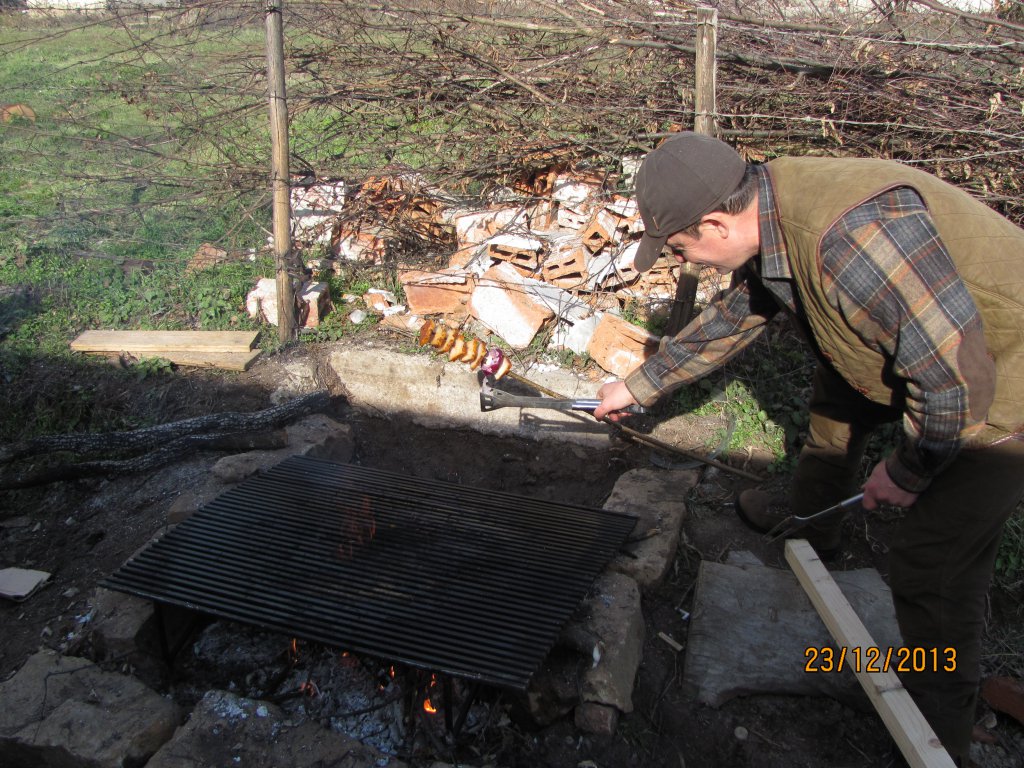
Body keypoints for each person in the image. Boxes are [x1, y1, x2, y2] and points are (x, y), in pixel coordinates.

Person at [592, 131, 1024, 765]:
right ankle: (814, 525)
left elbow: (957, 382)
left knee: (933, 566)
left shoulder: (852, 239)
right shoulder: (769, 206)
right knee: (836, 399)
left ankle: (941, 734)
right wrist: (641, 383)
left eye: (684, 248)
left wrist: (907, 471)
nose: (695, 262)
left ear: (715, 222)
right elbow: (738, 315)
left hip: (1002, 377)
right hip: (932, 352)